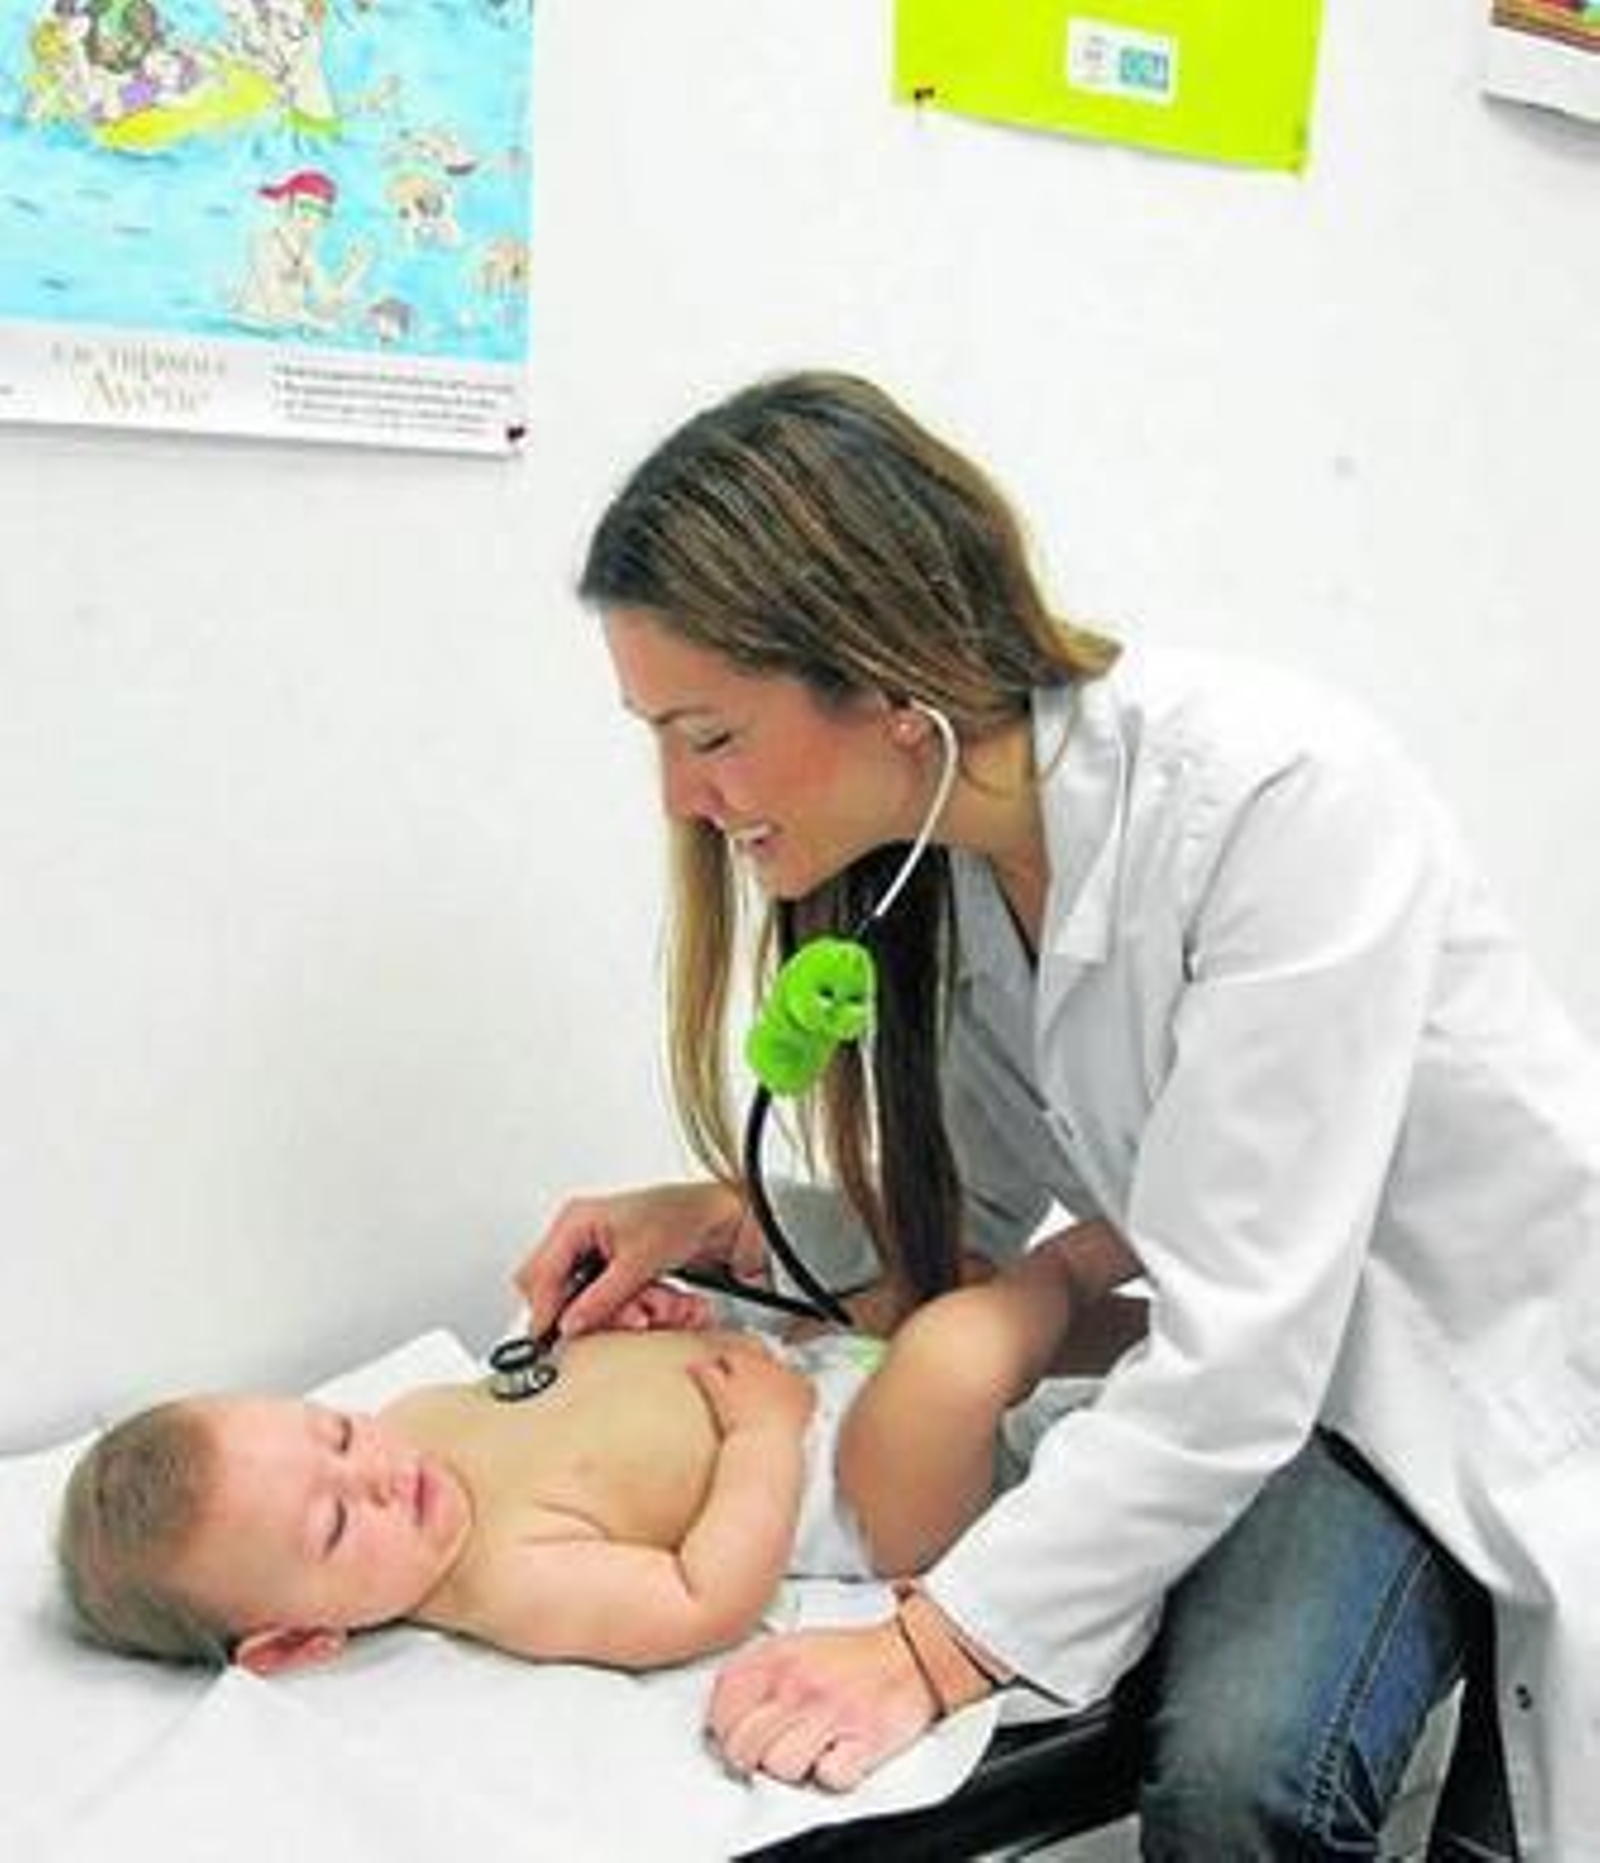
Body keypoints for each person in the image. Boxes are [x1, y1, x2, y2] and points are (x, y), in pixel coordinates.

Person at [515, 370, 1600, 1857]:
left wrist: (931, 1648)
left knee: (1243, 1779)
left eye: (706, 733)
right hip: (1304, 1365)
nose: (678, 797)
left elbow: (1241, 1347)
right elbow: (963, 1216)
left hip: (1485, 1363)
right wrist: (730, 1222)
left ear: (887, 681)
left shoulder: (1279, 799)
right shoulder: (953, 866)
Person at [57, 1238, 1142, 1674]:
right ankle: (1111, 1237)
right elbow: (699, 1595)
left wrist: (634, 1333)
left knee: (927, 1266)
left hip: (809, 1368)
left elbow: (540, 1385)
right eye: (338, 1525)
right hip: (860, 1489)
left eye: (334, 1434)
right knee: (963, 1352)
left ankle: (1181, 1329)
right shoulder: (504, 1581)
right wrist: (763, 1438)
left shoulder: (419, 1429)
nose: (376, 1472)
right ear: (296, 1639)